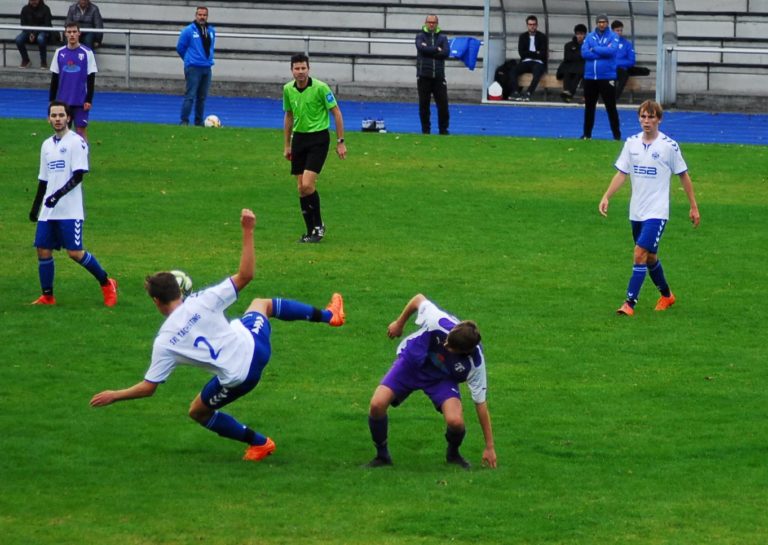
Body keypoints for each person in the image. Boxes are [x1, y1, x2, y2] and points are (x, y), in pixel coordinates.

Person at [90, 208, 346, 462]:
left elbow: (148, 388)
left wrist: (115, 395)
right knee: (261, 304)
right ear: (180, 291)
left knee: (198, 412)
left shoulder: (165, 341)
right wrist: (248, 230)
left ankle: (260, 443)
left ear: (156, 301)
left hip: (241, 376)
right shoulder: (203, 299)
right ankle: (329, 316)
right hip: (256, 346)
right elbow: (246, 275)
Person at [366, 294, 497, 470]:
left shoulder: (475, 363)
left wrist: (490, 447)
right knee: (377, 404)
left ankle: (453, 454)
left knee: (456, 422)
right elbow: (418, 299)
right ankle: (382, 456)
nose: (445, 345)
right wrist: (399, 324)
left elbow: (480, 404)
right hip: (412, 363)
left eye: (450, 347)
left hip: (441, 378)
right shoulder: (438, 320)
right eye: (446, 340)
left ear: (463, 352)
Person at [598, 100, 700, 316]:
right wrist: (607, 196)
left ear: (659, 119)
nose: (647, 121)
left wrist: (693, 206)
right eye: (643, 117)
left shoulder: (668, 146)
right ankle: (667, 295)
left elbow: (683, 175)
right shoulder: (631, 143)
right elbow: (621, 173)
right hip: (636, 212)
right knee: (650, 257)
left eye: (651, 117)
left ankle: (629, 303)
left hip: (657, 212)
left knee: (639, 253)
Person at [29, 101, 117, 307]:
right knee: (42, 249)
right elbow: (43, 179)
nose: (57, 119)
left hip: (70, 210)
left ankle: (107, 283)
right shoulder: (47, 145)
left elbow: (78, 176)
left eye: (61, 115)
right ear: (48, 118)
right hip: (48, 211)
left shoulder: (77, 142)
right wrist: (36, 208)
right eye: (54, 115)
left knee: (75, 253)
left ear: (68, 118)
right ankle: (48, 297)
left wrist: (57, 195)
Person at [283, 53, 346, 243]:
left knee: (308, 185)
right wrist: (287, 144)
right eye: (297, 68)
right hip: (299, 139)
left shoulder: (321, 88)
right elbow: (289, 116)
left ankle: (319, 226)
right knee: (301, 189)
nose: (300, 72)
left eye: (303, 68)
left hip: (319, 139)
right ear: (292, 70)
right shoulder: (287, 89)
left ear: (308, 69)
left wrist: (340, 141)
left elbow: (336, 112)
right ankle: (310, 230)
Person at [49, 22, 97, 141]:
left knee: (80, 132)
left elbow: (91, 77)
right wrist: (52, 100)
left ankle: (84, 159)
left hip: (81, 101)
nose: (72, 35)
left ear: (79, 33)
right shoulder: (59, 52)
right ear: (65, 34)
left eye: (74, 32)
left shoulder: (87, 53)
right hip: (63, 101)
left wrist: (89, 99)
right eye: (69, 32)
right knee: (63, 132)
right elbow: (54, 78)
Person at [580, 13, 621, 140]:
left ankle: (616, 135)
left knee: (611, 107)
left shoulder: (613, 36)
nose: (601, 24)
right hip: (591, 76)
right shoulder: (590, 36)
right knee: (589, 107)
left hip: (607, 76)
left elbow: (612, 51)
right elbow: (584, 53)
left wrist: (595, 49)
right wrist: (601, 51)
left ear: (607, 23)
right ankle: (587, 134)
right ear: (596, 23)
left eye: (604, 22)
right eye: (599, 22)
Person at [176, 6, 215, 126]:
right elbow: (180, 47)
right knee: (190, 96)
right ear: (196, 15)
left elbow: (210, 48)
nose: (202, 17)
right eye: (200, 14)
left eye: (204, 15)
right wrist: (188, 60)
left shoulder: (211, 30)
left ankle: (198, 122)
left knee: (202, 97)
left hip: (206, 68)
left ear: (207, 16)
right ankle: (184, 121)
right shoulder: (188, 30)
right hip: (193, 67)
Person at [415, 14, 450, 135]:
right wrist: (436, 49)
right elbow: (421, 49)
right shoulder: (420, 36)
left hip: (439, 77)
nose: (431, 24)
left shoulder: (443, 37)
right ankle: (425, 130)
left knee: (443, 106)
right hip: (424, 76)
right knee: (424, 106)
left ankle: (443, 130)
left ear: (437, 24)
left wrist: (429, 50)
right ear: (425, 23)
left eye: (433, 22)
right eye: (429, 22)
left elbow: (446, 53)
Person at [506, 15, 548, 101]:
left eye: (534, 24)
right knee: (512, 70)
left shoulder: (542, 37)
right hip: (525, 62)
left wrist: (529, 53)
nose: (532, 26)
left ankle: (528, 93)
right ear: (527, 25)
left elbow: (543, 54)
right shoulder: (523, 36)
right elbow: (521, 53)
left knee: (537, 73)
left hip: (538, 62)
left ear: (537, 25)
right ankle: (516, 92)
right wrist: (536, 52)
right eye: (530, 24)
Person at [16, 0, 52, 69]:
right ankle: (26, 60)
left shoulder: (46, 9)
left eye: (35, 0)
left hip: (42, 32)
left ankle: (43, 62)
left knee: (40, 38)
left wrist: (34, 34)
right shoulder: (25, 9)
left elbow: (47, 25)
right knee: (18, 39)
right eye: (32, 0)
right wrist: (30, 33)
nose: (34, 2)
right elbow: (23, 25)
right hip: (29, 32)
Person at [557, 23, 587, 103]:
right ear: (575, 34)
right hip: (571, 66)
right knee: (567, 72)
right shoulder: (568, 45)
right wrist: (578, 55)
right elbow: (567, 58)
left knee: (578, 72)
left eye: (581, 34)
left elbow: (585, 57)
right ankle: (567, 92)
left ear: (584, 35)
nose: (579, 36)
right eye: (578, 34)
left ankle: (569, 94)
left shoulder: (587, 45)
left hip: (581, 67)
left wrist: (575, 54)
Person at [611, 20, 636, 101]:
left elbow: (632, 61)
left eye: (621, 30)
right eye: (617, 30)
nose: (619, 32)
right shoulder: (606, 43)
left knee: (623, 75)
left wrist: (616, 63)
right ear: (612, 31)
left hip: (621, 70)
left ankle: (614, 98)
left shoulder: (627, 44)